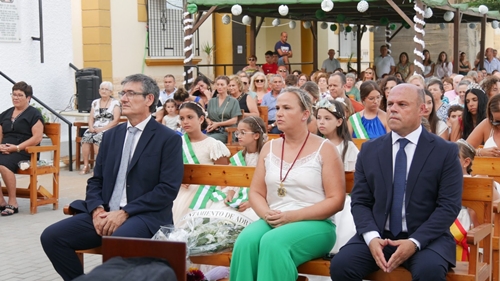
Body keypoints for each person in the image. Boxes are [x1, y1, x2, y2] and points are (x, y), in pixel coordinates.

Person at [41, 74, 184, 281]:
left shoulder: (167, 138)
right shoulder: (110, 136)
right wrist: (97, 209)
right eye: (122, 93)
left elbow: (167, 189)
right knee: (52, 237)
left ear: (149, 99)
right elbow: (95, 181)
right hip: (106, 212)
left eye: (131, 93)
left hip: (144, 215)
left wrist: (125, 212)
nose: (123, 99)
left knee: (118, 241)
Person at [330, 83, 463, 281]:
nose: (393, 109)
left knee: (429, 272)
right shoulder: (370, 150)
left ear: (422, 110)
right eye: (390, 103)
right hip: (379, 235)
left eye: (402, 104)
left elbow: (448, 207)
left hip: (426, 238)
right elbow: (360, 201)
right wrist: (371, 237)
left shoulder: (445, 152)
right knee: (341, 266)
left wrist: (415, 241)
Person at [229, 87, 345, 281]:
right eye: (278, 107)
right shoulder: (270, 147)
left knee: (273, 243)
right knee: (246, 241)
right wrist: (266, 214)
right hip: (275, 217)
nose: (279, 113)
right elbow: (256, 192)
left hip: (316, 224)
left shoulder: (326, 149)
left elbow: (336, 200)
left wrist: (292, 216)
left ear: (305, 114)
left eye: (287, 108)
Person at [172, 101, 230, 224]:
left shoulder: (213, 145)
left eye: (190, 117)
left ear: (201, 119)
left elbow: (224, 175)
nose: (185, 122)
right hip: (181, 190)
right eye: (182, 118)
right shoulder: (176, 143)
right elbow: (170, 170)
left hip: (207, 190)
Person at [0, 82, 44, 216]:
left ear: (28, 97)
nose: (16, 97)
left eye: (20, 95)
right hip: (5, 150)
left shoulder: (33, 114)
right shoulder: (5, 114)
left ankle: (13, 202)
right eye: (14, 94)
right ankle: (1, 202)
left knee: (2, 165)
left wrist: (17, 148)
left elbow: (37, 138)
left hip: (25, 152)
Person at [224, 116, 267, 221]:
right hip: (239, 193)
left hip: (260, 197)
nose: (238, 136)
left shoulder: (265, 156)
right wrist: (230, 194)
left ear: (256, 135)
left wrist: (251, 203)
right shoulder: (239, 156)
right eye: (237, 132)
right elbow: (234, 180)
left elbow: (267, 185)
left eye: (243, 132)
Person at [79, 81, 121, 175]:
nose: (104, 91)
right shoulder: (95, 102)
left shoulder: (115, 103)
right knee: (86, 138)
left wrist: (102, 129)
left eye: (106, 89)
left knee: (97, 139)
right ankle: (86, 165)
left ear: (111, 92)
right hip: (95, 127)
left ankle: (98, 167)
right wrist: (90, 127)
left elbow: (116, 120)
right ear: (99, 90)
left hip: (109, 128)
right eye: (102, 89)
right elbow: (91, 118)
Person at [316, 98, 359, 171]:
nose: (321, 122)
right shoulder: (314, 144)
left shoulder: (349, 147)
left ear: (339, 122)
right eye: (318, 118)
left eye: (327, 118)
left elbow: (352, 175)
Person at [206, 75, 242, 143]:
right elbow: (207, 117)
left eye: (222, 84)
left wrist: (218, 124)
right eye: (218, 84)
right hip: (212, 130)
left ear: (228, 86)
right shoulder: (211, 101)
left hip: (227, 132)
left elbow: (234, 120)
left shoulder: (233, 101)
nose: (219, 87)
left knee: (208, 140)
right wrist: (210, 124)